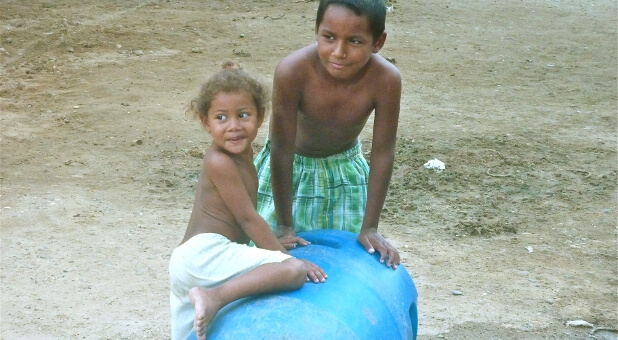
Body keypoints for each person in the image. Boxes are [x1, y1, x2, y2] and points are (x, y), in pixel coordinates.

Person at [169, 62, 326, 340]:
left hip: (191, 263)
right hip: (204, 256)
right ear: (205, 122)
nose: (234, 127)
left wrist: (265, 250)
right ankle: (215, 296)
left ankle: (208, 296)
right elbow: (247, 218)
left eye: (243, 115)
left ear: (260, 116)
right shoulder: (219, 162)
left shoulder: (242, 157)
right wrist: (281, 256)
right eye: (221, 118)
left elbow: (243, 224)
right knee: (292, 271)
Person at [254, 0, 402, 269]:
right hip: (288, 176)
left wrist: (370, 227)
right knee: (271, 259)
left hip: (344, 175)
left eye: (355, 41)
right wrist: (284, 225)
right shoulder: (293, 71)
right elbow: (281, 148)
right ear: (316, 30)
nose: (339, 51)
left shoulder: (385, 80)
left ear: (378, 42)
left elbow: (383, 152)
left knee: (343, 262)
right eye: (329, 37)